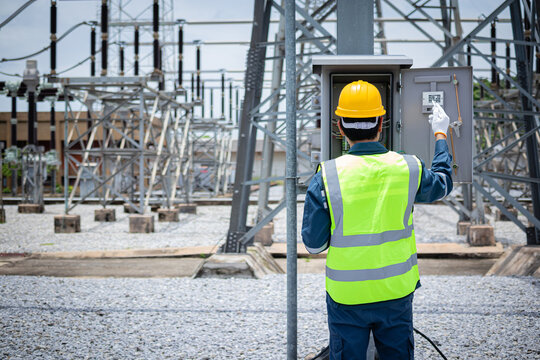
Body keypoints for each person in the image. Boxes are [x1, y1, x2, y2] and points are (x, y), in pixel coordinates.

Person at [301, 80, 453, 360]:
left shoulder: (327, 176)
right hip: (395, 291)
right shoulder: (409, 167)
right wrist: (441, 133)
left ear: (339, 125)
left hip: (347, 296)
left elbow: (313, 244)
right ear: (381, 123)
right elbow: (443, 183)